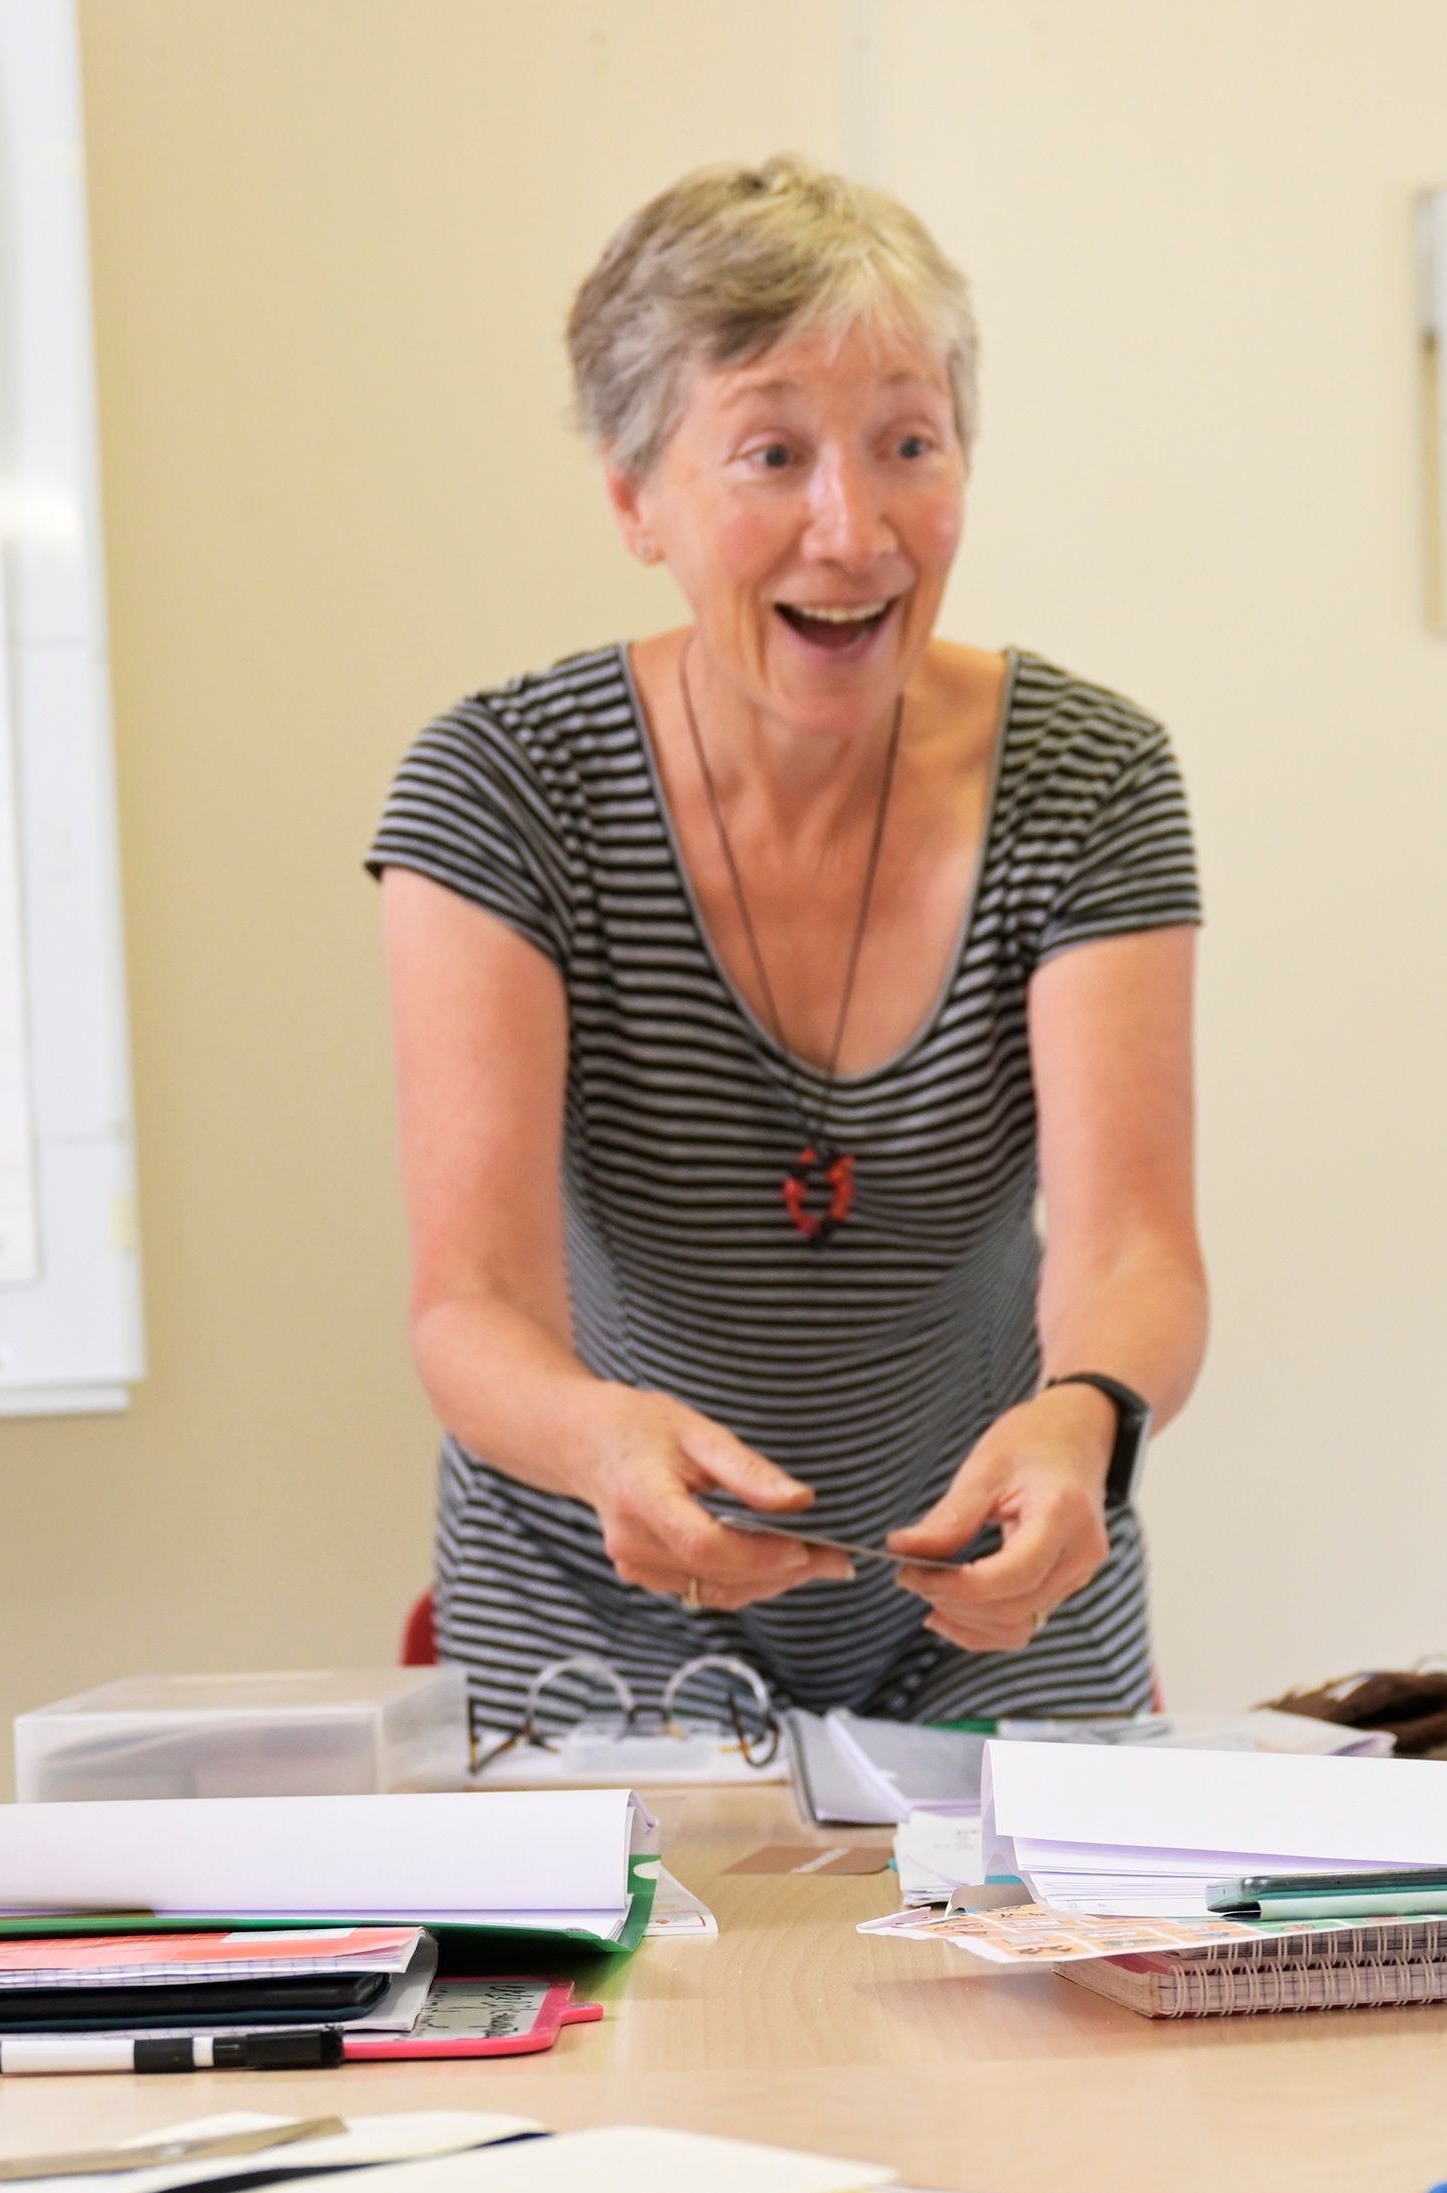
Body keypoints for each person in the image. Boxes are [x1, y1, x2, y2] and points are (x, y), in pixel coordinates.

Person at [372, 158, 1207, 1737]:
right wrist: (598, 1439)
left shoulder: (1091, 777)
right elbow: (468, 1302)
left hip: (993, 1604)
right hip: (592, 1606)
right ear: (634, 498)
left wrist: (1086, 1418)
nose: (854, 527)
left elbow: (1131, 1251)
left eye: (909, 443)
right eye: (771, 453)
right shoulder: (501, 786)